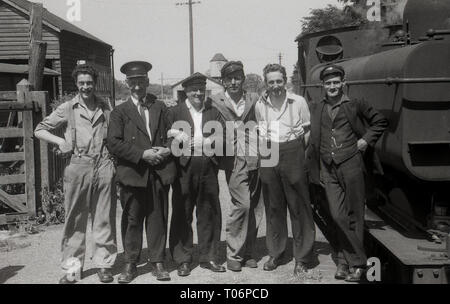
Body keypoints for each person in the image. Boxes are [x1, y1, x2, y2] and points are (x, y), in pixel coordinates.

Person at [34, 61, 117, 284]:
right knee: (75, 220)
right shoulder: (68, 108)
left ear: (94, 84)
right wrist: (60, 140)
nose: (85, 87)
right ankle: (72, 268)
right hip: (78, 166)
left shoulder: (105, 106)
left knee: (103, 219)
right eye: (81, 83)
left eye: (89, 83)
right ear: (76, 84)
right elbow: (39, 129)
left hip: (104, 165)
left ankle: (103, 264)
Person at [306, 64, 388, 282]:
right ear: (322, 85)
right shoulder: (317, 107)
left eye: (336, 82)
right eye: (328, 83)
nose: (332, 86)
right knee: (337, 215)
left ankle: (345, 262)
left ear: (343, 83)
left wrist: (365, 140)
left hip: (351, 165)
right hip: (328, 168)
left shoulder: (355, 103)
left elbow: (380, 121)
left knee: (355, 216)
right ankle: (359, 261)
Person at [107, 61, 176, 283]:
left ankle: (157, 261)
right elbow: (113, 143)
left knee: (157, 217)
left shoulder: (161, 107)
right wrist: (142, 154)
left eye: (141, 81)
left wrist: (167, 149)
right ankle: (130, 263)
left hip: (158, 172)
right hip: (132, 173)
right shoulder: (120, 111)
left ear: (147, 82)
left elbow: (173, 133)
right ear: (127, 84)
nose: (137, 86)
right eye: (133, 82)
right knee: (132, 219)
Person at [255, 63, 315, 277]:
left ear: (285, 80)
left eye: (279, 81)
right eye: (271, 82)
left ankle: (302, 257)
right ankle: (276, 253)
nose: (276, 85)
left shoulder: (298, 102)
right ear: (266, 83)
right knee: (273, 205)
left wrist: (296, 153)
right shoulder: (260, 104)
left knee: (298, 205)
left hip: (293, 151)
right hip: (269, 151)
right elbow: (261, 130)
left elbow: (307, 131)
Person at [167, 73, 225, 277]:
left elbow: (223, 136)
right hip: (184, 167)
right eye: (194, 90)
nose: (198, 93)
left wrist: (208, 142)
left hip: (208, 166)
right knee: (182, 211)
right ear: (186, 92)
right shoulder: (175, 112)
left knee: (208, 212)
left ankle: (209, 256)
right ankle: (183, 259)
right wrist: (176, 135)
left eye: (201, 89)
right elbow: (165, 136)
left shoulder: (213, 111)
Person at [210, 61, 264, 272]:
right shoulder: (215, 101)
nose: (233, 82)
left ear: (243, 79)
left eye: (237, 78)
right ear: (223, 81)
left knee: (256, 206)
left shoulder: (254, 98)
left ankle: (248, 252)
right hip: (233, 158)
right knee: (242, 204)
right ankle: (234, 253)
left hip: (256, 155)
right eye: (229, 79)